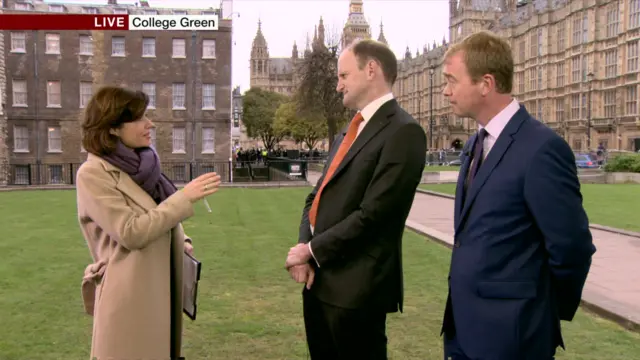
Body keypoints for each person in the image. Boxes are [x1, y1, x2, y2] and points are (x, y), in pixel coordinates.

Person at [440, 31, 596, 360]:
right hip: (462, 332)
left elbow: (572, 247)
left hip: (514, 338)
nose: (445, 90)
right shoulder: (473, 145)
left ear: (485, 83)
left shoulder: (541, 149)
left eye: (452, 80)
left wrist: (544, 312)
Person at [285, 39, 427, 359]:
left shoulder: (404, 132)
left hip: (357, 294)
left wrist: (310, 250)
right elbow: (316, 196)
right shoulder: (349, 132)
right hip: (319, 285)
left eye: (344, 75)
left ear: (371, 70)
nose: (338, 86)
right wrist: (305, 250)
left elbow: (373, 215)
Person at [76, 86, 221, 360]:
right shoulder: (93, 174)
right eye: (140, 118)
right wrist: (184, 198)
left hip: (160, 289)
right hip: (129, 299)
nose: (150, 124)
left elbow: (157, 214)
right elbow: (131, 231)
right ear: (113, 128)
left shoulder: (143, 164)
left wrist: (184, 241)